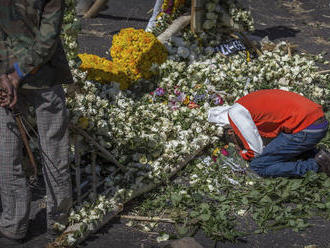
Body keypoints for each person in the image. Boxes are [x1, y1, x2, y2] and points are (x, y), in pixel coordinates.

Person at [0, 0, 73, 245]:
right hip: (43, 77)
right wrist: (16, 75)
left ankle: (14, 222)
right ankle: (58, 221)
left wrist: (5, 76)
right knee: (54, 150)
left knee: (7, 150)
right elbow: (47, 39)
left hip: (7, 77)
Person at [208, 89, 330, 177]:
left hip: (307, 128)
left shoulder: (236, 115)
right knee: (278, 147)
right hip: (316, 120)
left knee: (258, 166)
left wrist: (243, 152)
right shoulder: (245, 103)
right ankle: (317, 154)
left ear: (230, 132)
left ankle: (315, 166)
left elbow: (256, 151)